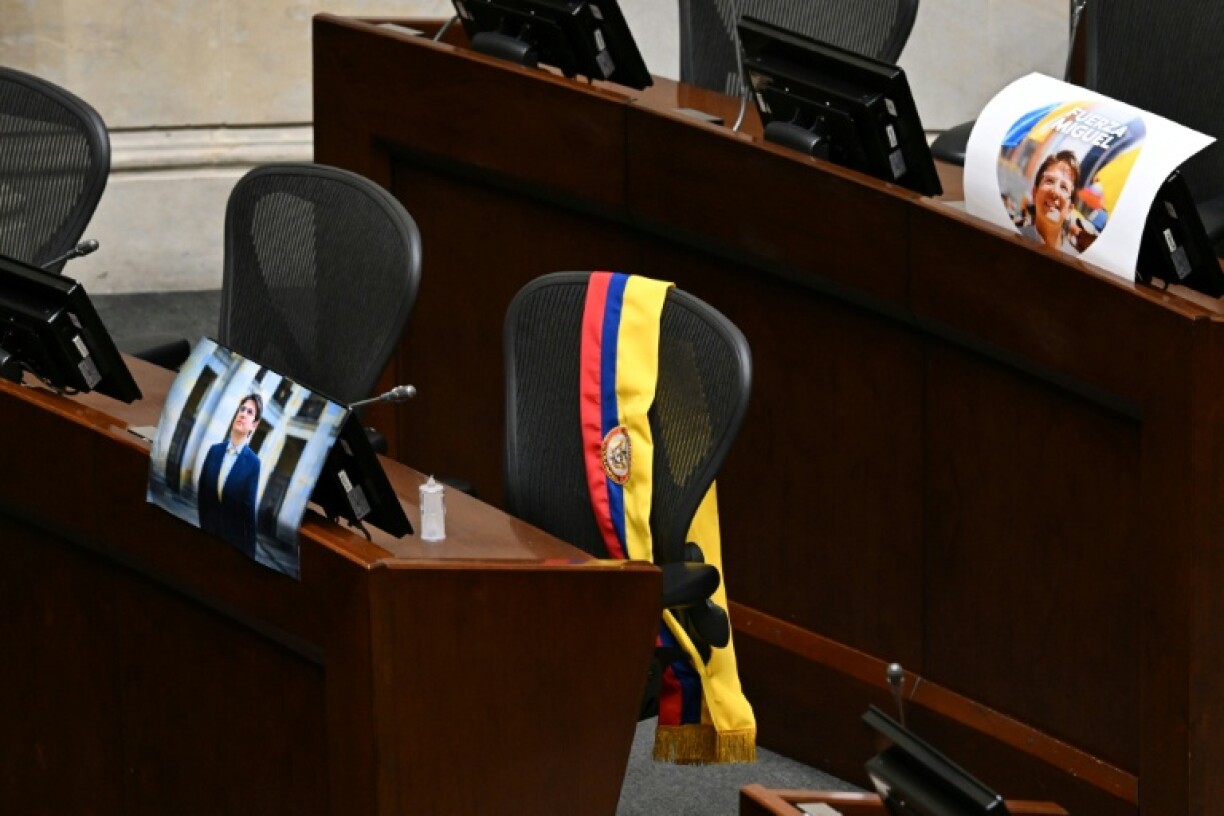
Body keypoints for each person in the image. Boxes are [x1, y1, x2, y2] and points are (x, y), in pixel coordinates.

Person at [197, 393, 263, 557]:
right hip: (206, 536)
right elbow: (202, 495)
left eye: (249, 412)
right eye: (242, 409)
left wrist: (250, 555)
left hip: (232, 545)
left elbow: (249, 511)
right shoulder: (214, 450)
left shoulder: (253, 463)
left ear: (254, 425)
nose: (243, 414)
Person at [1018, 150, 1096, 254]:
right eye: (1049, 181)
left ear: (1070, 208)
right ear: (1034, 193)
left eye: (1064, 187)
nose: (1055, 191)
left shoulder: (1074, 260)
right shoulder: (1014, 239)